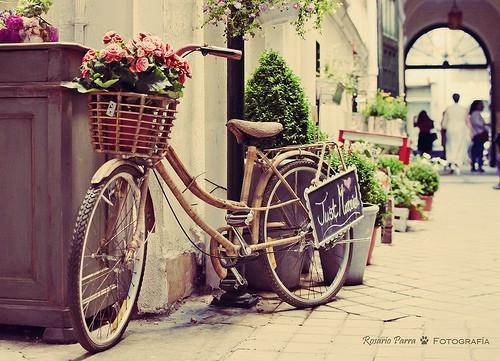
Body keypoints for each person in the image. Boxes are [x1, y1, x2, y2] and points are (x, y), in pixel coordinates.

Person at [442, 93, 468, 174]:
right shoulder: (463, 109)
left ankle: (451, 161)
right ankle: (458, 162)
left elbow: (444, 123)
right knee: (460, 145)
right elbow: (466, 120)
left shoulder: (449, 109)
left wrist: (444, 128)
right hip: (461, 127)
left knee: (450, 145)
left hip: (451, 127)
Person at [469, 100, 488, 172]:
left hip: (478, 135)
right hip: (478, 135)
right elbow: (477, 123)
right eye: (481, 104)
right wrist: (485, 125)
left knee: (477, 151)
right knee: (478, 151)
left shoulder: (476, 113)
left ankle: (475, 165)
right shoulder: (475, 113)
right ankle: (478, 166)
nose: (482, 106)